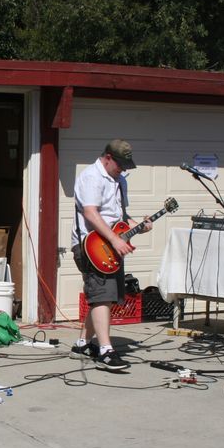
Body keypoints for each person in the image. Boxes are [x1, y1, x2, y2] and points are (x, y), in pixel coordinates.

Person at [69, 139, 151, 371]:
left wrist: (139, 225)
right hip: (90, 245)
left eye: (126, 166)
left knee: (104, 296)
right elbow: (90, 213)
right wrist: (115, 239)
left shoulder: (120, 181)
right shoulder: (92, 177)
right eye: (120, 165)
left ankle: (82, 344)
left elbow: (120, 217)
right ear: (107, 158)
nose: (122, 170)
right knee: (101, 296)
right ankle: (106, 350)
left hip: (110, 246)